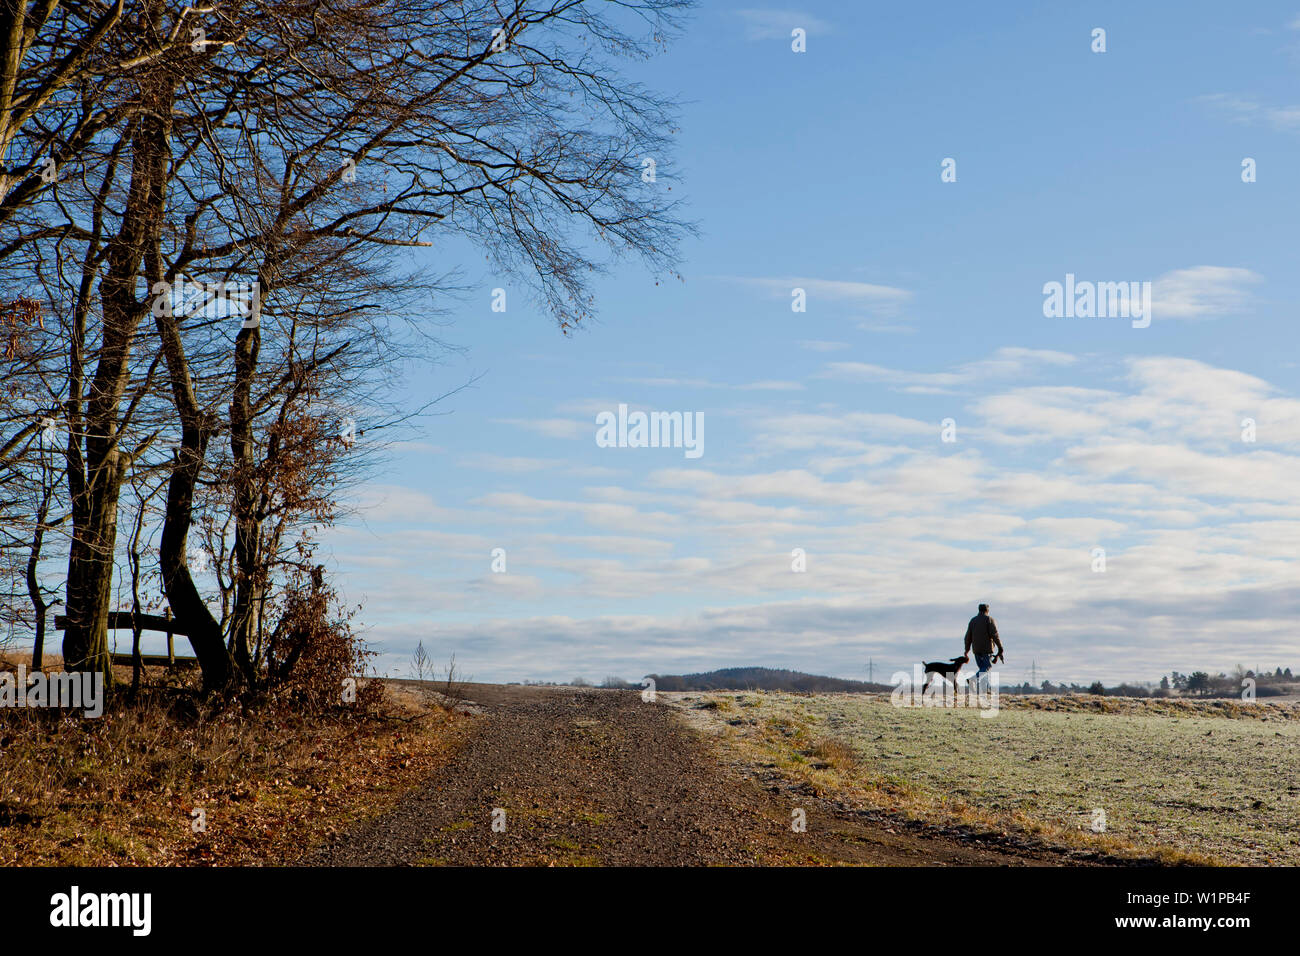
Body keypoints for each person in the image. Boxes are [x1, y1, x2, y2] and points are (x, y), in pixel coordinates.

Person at [964, 603, 1004, 694]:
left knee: (983, 670)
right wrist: (1000, 648)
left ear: (979, 610)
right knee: (987, 667)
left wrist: (966, 650)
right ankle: (972, 679)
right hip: (986, 649)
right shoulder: (989, 620)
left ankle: (986, 690)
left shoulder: (973, 621)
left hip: (976, 649)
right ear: (987, 610)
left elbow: (967, 637)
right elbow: (995, 635)